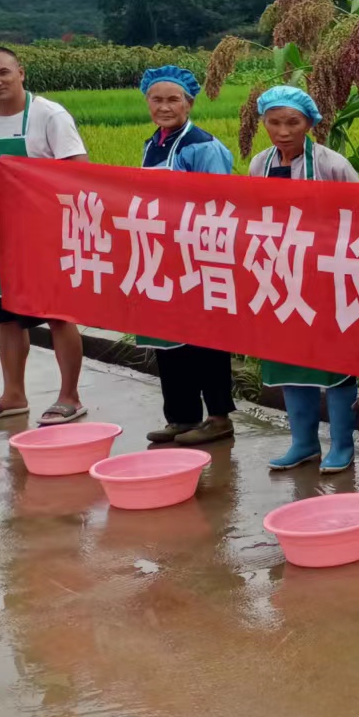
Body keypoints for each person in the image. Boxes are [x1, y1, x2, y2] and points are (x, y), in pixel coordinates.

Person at [248, 87, 359, 473]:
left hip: (326, 277)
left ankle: (342, 445)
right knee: (289, 358)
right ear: (263, 123)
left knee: (335, 362)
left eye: (292, 123)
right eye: (274, 123)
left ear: (310, 123)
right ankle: (303, 443)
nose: (283, 132)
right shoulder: (259, 164)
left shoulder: (332, 165)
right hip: (281, 277)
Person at [136, 66, 239, 447]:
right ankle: (180, 416)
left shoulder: (202, 146)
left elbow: (219, 203)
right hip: (162, 256)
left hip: (199, 256)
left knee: (206, 337)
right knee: (168, 337)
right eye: (156, 99)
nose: (164, 107)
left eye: (173, 100)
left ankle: (218, 417)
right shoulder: (153, 144)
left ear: (189, 103)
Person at [0, 45, 91, 427]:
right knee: (5, 316)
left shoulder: (48, 115)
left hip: (45, 233)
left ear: (20, 73)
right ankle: (13, 395)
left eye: (3, 72)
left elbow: (79, 172)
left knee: (58, 314)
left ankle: (70, 395)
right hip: (2, 236)